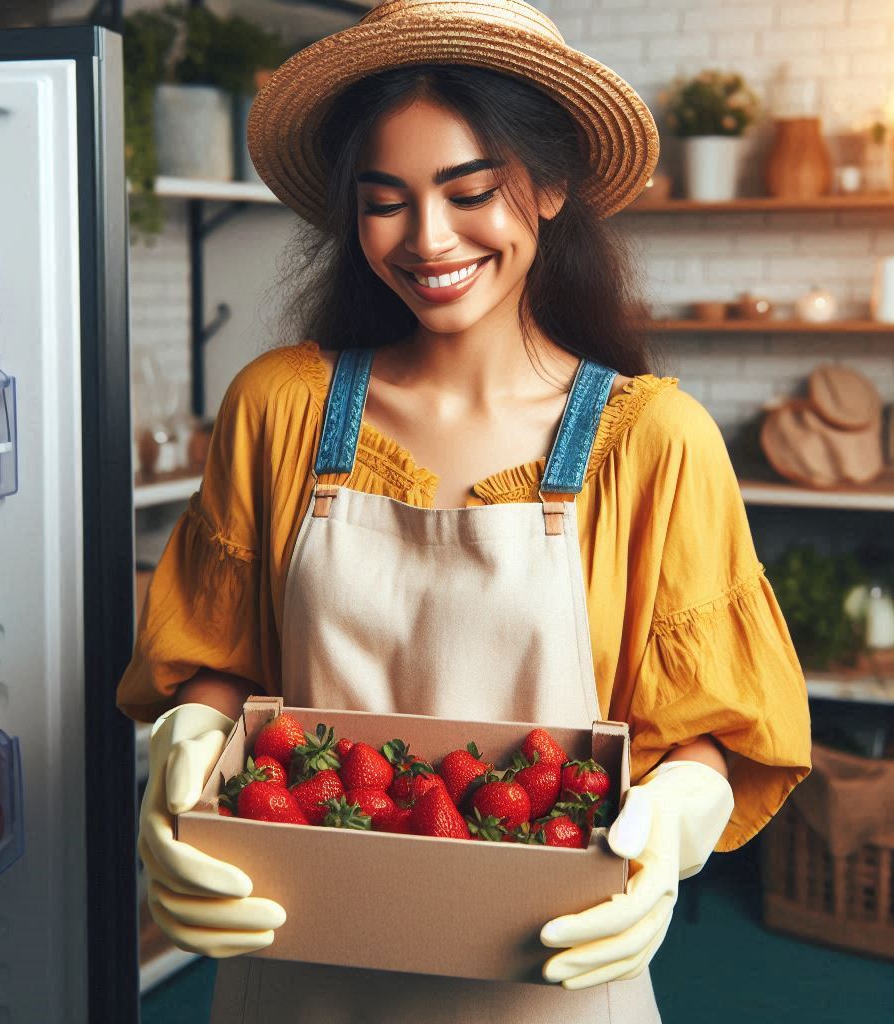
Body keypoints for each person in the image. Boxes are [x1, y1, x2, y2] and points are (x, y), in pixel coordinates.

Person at [117, 2, 812, 1021]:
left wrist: (670, 819)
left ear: (551, 183)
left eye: (470, 191)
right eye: (384, 199)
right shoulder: (280, 405)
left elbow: (708, 727)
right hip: (300, 963)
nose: (427, 238)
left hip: (547, 972)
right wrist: (186, 742)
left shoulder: (652, 439)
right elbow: (223, 657)